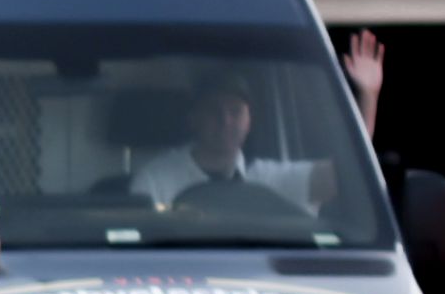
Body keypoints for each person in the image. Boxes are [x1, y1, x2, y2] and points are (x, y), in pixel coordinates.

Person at [127, 64, 329, 207]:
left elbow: (338, 175)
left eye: (236, 111)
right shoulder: (155, 180)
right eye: (213, 110)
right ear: (194, 119)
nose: (225, 121)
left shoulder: (267, 178)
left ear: (249, 121)